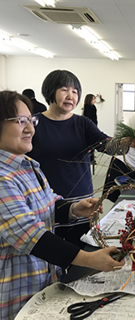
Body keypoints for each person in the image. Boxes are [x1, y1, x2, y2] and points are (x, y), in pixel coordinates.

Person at [0, 90, 124, 319]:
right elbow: (31, 235)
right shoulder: (2, 178)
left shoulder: (28, 165)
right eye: (20, 121)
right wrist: (89, 259)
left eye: (30, 120)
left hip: (45, 283)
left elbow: (48, 205)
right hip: (18, 296)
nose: (30, 129)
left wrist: (74, 209)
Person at [26, 70, 117, 247]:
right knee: (51, 254)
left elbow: (107, 145)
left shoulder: (82, 123)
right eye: (64, 89)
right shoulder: (33, 124)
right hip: (47, 204)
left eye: (75, 91)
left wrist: (128, 142)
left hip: (83, 203)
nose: (70, 96)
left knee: (81, 255)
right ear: (50, 91)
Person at [83, 93, 98, 164]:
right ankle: (90, 158)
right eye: (93, 99)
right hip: (89, 128)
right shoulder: (87, 107)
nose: (94, 100)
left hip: (93, 126)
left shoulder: (93, 107)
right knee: (90, 144)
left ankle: (92, 156)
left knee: (93, 143)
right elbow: (89, 118)